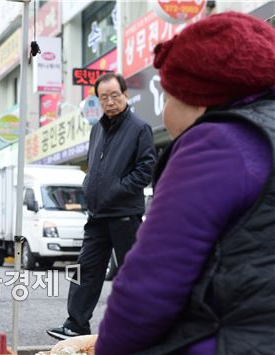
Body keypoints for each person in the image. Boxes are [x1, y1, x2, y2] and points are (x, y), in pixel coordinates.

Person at [94, 12, 275, 354]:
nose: (163, 110)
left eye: (167, 96)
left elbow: (148, 288)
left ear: (198, 96)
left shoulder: (215, 143)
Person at [47, 72, 157, 340]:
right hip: (97, 215)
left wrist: (115, 190)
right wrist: (89, 189)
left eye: (115, 95)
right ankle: (76, 325)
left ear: (125, 95)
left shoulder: (139, 128)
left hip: (124, 215)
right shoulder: (96, 128)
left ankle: (141, 328)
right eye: (104, 97)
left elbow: (146, 170)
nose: (110, 102)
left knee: (132, 274)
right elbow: (94, 168)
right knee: (85, 269)